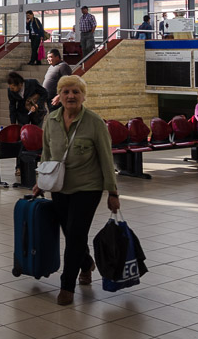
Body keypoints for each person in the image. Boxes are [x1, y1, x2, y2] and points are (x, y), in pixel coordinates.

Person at [32, 75, 120, 306]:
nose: (71, 96)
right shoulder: (50, 120)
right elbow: (47, 154)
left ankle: (67, 286)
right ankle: (86, 263)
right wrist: (41, 182)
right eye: (66, 92)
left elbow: (106, 158)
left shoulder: (94, 122)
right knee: (70, 234)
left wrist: (112, 192)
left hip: (88, 187)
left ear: (83, 96)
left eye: (76, 92)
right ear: (58, 96)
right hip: (59, 186)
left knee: (76, 235)